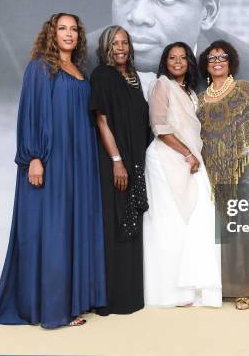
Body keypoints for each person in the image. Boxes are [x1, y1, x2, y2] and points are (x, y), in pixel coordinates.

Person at [85, 0, 249, 283]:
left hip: (209, 269)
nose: (137, 15)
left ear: (207, 11)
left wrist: (233, 282)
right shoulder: (81, 62)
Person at [0, 13, 106, 328]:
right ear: (51, 33)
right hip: (51, 161)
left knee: (71, 227)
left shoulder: (78, 70)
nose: (69, 34)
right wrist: (34, 157)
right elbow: (31, 113)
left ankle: (73, 301)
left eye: (74, 29)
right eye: (62, 28)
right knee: (52, 230)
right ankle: (52, 308)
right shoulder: (40, 68)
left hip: (79, 162)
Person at [197, 40, 249, 310]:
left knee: (247, 226)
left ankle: (247, 289)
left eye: (222, 56)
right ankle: (226, 286)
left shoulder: (244, 89)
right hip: (214, 171)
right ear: (205, 65)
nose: (217, 60)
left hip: (247, 165)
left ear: (231, 62)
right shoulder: (200, 99)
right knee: (223, 230)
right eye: (211, 57)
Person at [144, 42, 222, 307]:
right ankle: (168, 292)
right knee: (169, 223)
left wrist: (191, 155)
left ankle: (190, 289)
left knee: (197, 221)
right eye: (171, 57)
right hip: (166, 159)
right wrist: (187, 153)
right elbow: (160, 126)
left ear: (189, 62)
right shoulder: (162, 85)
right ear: (165, 62)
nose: (177, 62)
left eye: (182, 57)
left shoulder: (189, 92)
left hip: (190, 160)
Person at [89, 25, 149, 315]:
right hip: (116, 163)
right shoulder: (103, 75)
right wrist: (117, 161)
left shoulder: (134, 77)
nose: (121, 47)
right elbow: (102, 120)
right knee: (116, 226)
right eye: (115, 43)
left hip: (135, 163)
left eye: (125, 42)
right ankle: (112, 299)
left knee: (132, 225)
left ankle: (130, 296)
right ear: (106, 48)